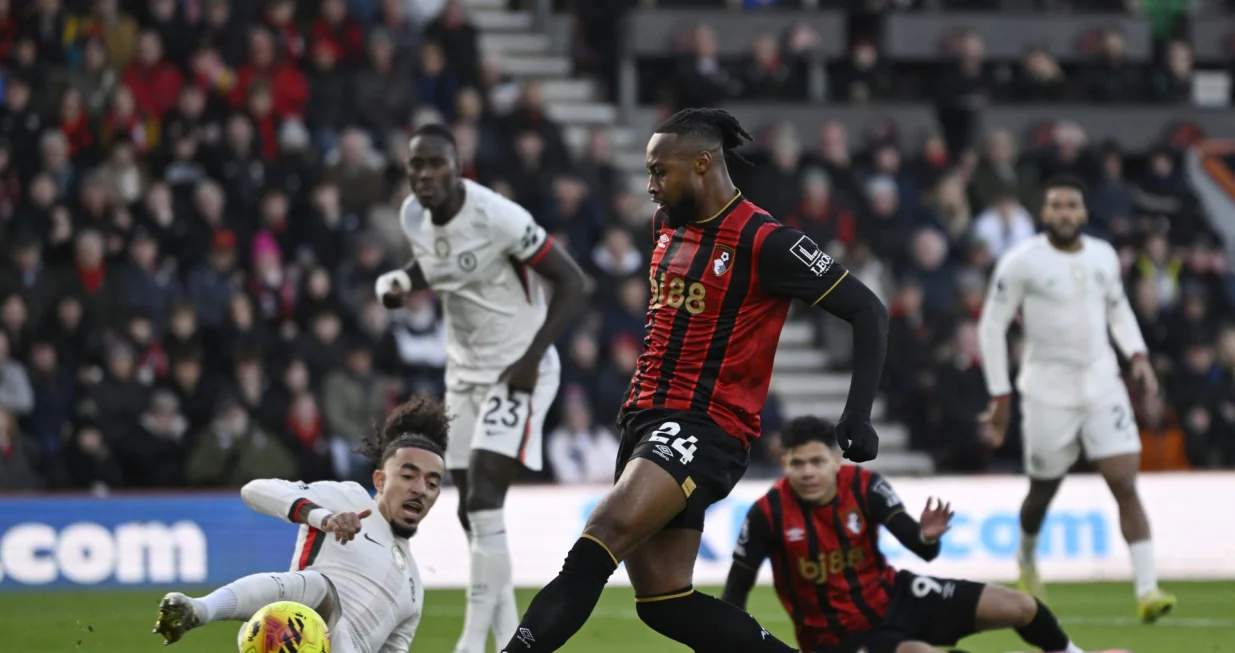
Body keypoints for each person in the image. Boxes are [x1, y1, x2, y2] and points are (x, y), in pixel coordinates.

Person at [499, 108, 888, 653]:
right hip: (643, 420)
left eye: (660, 171)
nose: (651, 186)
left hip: (705, 425)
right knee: (664, 602)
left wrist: (858, 414)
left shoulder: (765, 240)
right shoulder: (666, 225)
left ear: (703, 164)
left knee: (601, 534)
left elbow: (868, 311)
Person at [374, 123, 590, 653]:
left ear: (458, 166)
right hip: (464, 372)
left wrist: (531, 358)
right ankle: (509, 635)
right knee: (472, 509)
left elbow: (574, 281)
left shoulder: (498, 216)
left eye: (435, 164)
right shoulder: (411, 216)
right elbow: (439, 265)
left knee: (486, 494)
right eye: (415, 165)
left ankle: (471, 644)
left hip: (520, 367)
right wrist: (404, 281)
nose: (424, 175)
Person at [976, 175, 1176, 622]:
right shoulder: (1022, 261)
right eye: (1056, 206)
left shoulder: (1104, 256)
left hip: (1102, 383)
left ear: (1084, 212)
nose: (1065, 213)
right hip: (1047, 391)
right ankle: (1027, 559)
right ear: (1044, 213)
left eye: (1072, 206)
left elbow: (1118, 307)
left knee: (1124, 481)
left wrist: (1138, 355)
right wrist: (1000, 394)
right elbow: (991, 325)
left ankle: (1148, 589)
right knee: (1042, 492)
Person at [723, 416, 1086, 653]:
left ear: (836, 461)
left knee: (1021, 607)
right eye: (798, 464)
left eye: (817, 462)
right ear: (784, 463)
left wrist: (926, 536)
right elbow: (736, 588)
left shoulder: (866, 486)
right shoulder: (767, 513)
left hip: (896, 597)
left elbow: (922, 549)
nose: (807, 473)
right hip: (837, 640)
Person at [151, 396, 449, 653]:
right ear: (380, 480)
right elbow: (254, 490)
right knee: (319, 587)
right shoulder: (350, 499)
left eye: (432, 483)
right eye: (408, 476)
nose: (421, 489)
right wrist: (323, 518)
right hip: (288, 635)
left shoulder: (414, 589)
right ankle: (199, 610)